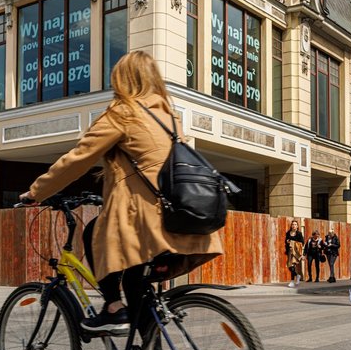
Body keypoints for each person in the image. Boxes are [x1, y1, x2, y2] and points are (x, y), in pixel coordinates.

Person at [20, 51, 223, 335]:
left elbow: (79, 158)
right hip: (182, 217)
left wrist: (35, 192)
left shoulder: (124, 111)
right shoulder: (168, 116)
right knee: (135, 282)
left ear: (122, 80)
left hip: (150, 219)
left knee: (93, 232)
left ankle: (113, 308)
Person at [284, 220, 305, 288]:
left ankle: (292, 281)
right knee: (289, 266)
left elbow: (302, 242)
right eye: (293, 224)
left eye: (295, 224)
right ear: (291, 225)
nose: (294, 225)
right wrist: (287, 242)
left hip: (295, 252)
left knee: (292, 265)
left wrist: (293, 242)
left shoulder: (299, 233)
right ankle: (297, 275)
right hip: (290, 251)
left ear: (297, 226)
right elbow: (286, 241)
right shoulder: (288, 233)